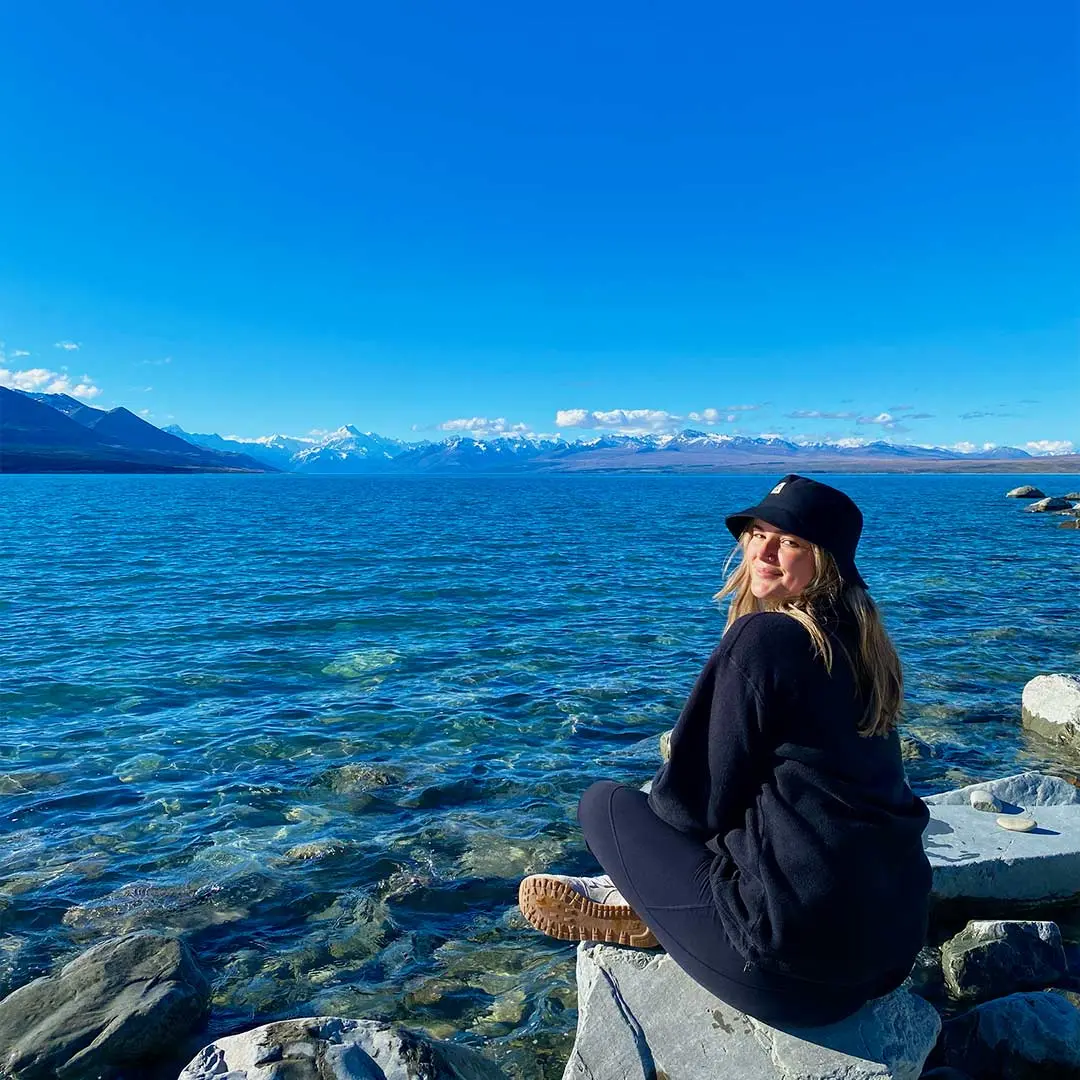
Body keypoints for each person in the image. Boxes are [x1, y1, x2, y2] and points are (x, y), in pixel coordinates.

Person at [517, 475, 932, 1028]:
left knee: (605, 804)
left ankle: (644, 907)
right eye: (757, 532)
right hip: (888, 952)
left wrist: (668, 840)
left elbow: (689, 806)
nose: (762, 550)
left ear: (826, 561)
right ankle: (667, 908)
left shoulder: (765, 637)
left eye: (789, 541)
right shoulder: (863, 645)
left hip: (786, 971)